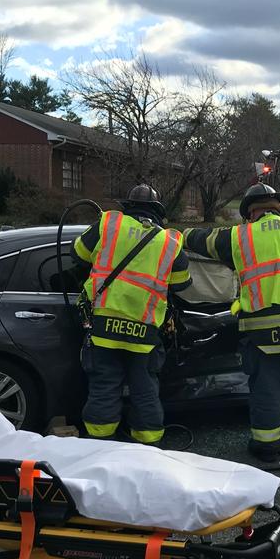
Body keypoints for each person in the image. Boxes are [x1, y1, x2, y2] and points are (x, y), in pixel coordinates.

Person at [184, 183, 280, 462]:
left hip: (264, 330)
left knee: (267, 385)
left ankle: (267, 446)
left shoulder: (240, 236)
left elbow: (199, 240)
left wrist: (178, 235)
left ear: (249, 213)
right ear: (278, 208)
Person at [71, 184, 191, 444]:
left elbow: (77, 254)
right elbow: (182, 283)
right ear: (157, 211)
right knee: (145, 390)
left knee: (103, 387)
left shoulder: (109, 224)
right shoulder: (169, 240)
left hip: (103, 327)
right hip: (144, 329)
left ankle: (101, 444)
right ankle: (148, 446)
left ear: (127, 206)